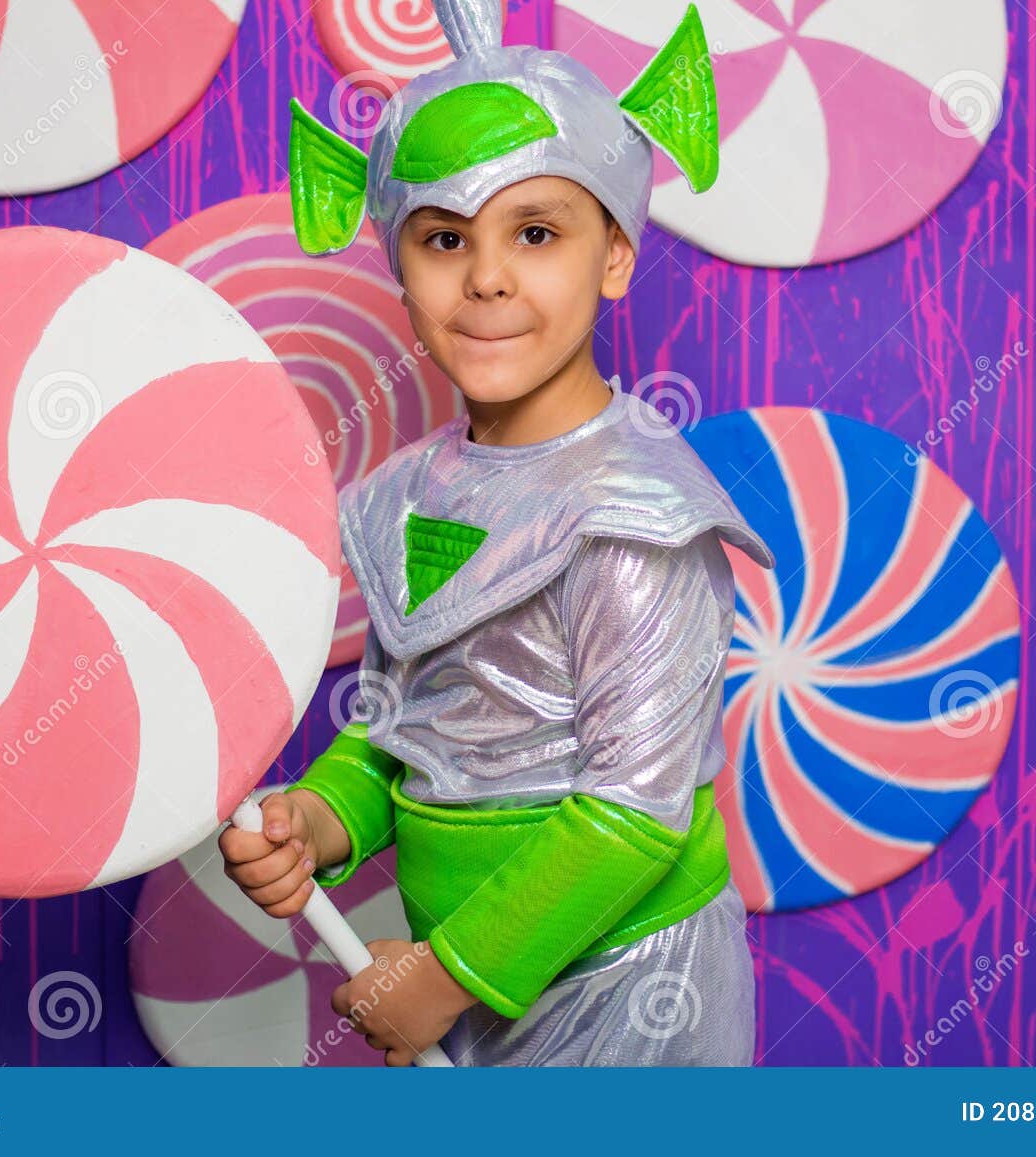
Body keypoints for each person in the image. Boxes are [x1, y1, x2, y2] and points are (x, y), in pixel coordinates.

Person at [219, 0, 775, 1066]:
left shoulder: (636, 515)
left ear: (613, 254)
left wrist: (435, 979)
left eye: (535, 232)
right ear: (398, 265)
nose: (485, 278)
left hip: (631, 997)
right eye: (442, 238)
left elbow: (632, 811)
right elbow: (405, 728)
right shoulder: (405, 496)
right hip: (471, 985)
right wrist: (324, 819)